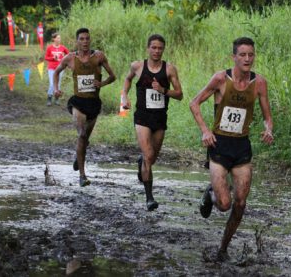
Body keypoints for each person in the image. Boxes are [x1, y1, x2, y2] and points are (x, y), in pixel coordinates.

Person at [189, 37, 274, 262]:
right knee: (224, 204)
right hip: (219, 146)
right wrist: (205, 131)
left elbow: (268, 117)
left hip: (242, 147)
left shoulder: (260, 83)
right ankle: (210, 193)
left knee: (240, 203)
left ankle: (223, 248)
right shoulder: (220, 79)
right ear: (234, 57)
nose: (247, 59)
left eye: (251, 55)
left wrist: (268, 129)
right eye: (243, 55)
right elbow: (194, 103)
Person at [121, 34, 183, 211]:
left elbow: (180, 95)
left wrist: (164, 90)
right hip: (142, 117)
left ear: (163, 49)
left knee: (151, 158)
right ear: (148, 48)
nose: (156, 51)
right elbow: (127, 79)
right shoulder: (137, 66)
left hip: (160, 118)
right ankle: (149, 198)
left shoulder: (170, 69)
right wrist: (124, 97)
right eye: (153, 47)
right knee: (149, 155)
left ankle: (142, 162)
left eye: (160, 48)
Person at [53, 28, 116, 187]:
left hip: (94, 103)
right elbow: (56, 72)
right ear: (77, 41)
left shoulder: (99, 57)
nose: (85, 42)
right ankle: (82, 176)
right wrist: (55, 88)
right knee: (81, 135)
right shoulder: (70, 58)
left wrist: (102, 83)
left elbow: (112, 76)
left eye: (87, 39)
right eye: (81, 39)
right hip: (78, 103)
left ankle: (78, 156)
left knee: (85, 139)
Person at [44, 32, 69, 106]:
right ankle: (49, 98)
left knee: (58, 84)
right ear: (53, 39)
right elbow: (46, 57)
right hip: (52, 68)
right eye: (57, 38)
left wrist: (64, 59)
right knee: (52, 84)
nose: (59, 39)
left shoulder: (63, 47)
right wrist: (53, 58)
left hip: (60, 68)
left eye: (59, 38)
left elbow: (69, 55)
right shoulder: (49, 47)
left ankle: (57, 99)